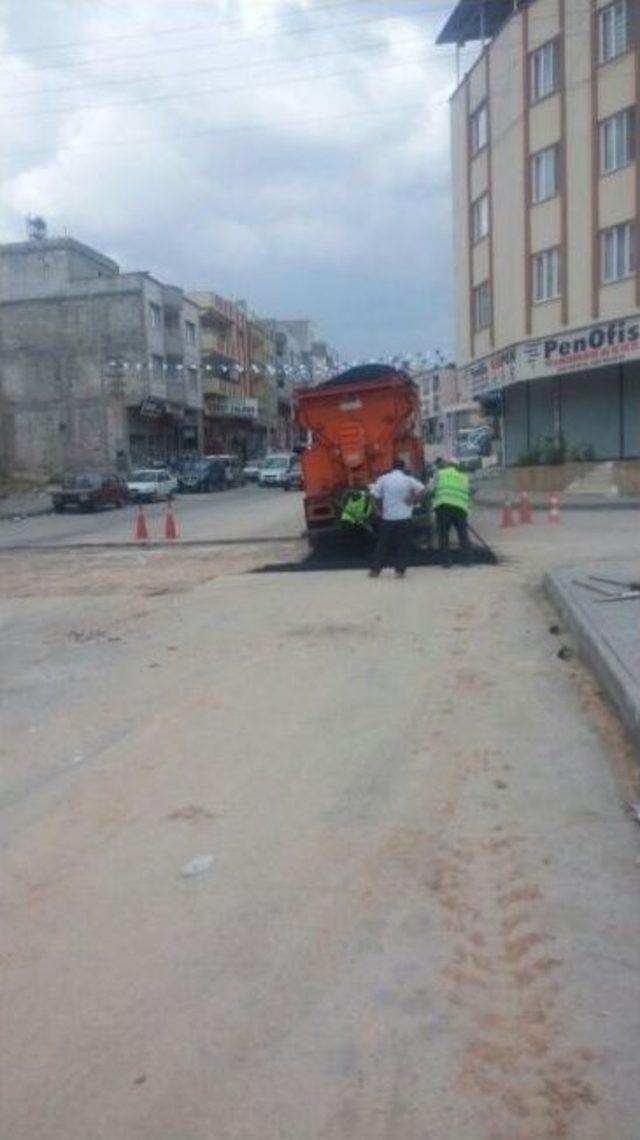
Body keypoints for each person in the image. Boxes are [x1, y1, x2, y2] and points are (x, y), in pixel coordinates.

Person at [369, 458, 425, 578]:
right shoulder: (408, 480)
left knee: (382, 545)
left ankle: (376, 571)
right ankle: (400, 571)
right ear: (403, 467)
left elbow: (373, 495)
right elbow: (423, 489)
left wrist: (377, 510)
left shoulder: (384, 479)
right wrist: (413, 500)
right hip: (405, 518)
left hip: (388, 518)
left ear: (392, 467)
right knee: (403, 545)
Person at [433, 457, 472, 568]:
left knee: (443, 534)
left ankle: (446, 562)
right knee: (463, 534)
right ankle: (467, 561)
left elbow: (431, 488)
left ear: (448, 465)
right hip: (460, 509)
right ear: (457, 467)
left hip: (444, 507)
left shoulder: (440, 473)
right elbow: (469, 493)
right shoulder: (464, 478)